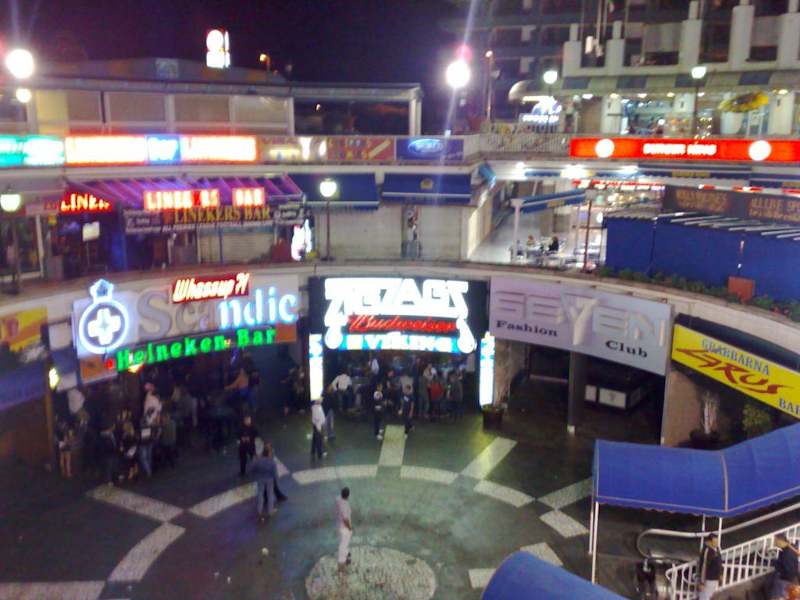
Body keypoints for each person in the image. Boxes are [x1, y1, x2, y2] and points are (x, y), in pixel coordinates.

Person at [251, 444, 278, 523]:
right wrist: (275, 479)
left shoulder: (258, 460)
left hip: (260, 479)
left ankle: (259, 511)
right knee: (270, 495)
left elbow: (253, 468)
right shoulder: (272, 462)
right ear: (268, 453)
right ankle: (270, 511)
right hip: (269, 479)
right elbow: (275, 473)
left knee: (260, 494)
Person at [771, 534, 799, 599]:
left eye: (775, 541)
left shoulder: (786, 555)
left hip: (787, 579)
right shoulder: (791, 547)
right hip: (793, 576)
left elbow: (787, 570)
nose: (774, 543)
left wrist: (775, 563)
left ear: (780, 541)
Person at [698, 534, 722, 600]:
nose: (717, 543)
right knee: (704, 597)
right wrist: (702, 582)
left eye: (717, 542)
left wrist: (720, 574)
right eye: (715, 542)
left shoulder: (716, 549)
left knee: (708, 595)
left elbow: (719, 562)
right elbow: (704, 566)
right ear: (709, 542)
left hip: (714, 577)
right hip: (708, 578)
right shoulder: (707, 551)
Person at [336, 487, 353, 573]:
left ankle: (346, 555)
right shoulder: (344, 506)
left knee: (344, 544)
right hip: (345, 529)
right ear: (348, 495)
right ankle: (341, 564)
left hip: (340, 526)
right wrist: (350, 528)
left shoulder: (338, 499)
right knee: (343, 545)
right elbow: (345, 519)